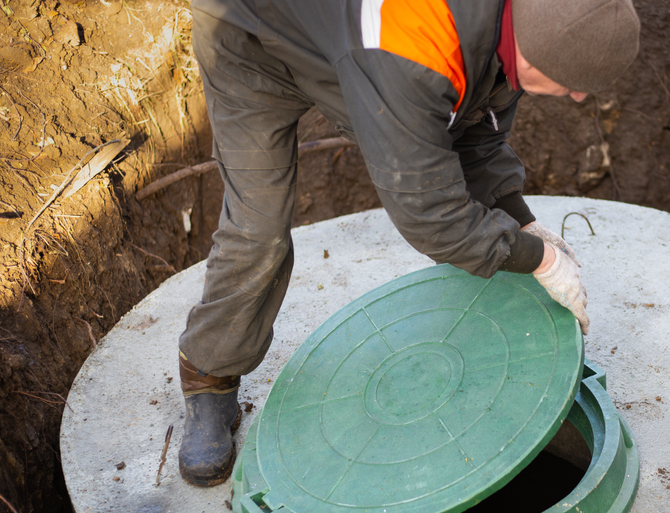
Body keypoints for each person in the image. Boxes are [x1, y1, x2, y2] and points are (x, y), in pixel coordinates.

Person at [177, 0, 641, 486]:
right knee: (258, 226)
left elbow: (474, 132)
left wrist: (519, 222)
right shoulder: (412, 47)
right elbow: (430, 215)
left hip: (344, 37)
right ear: (530, 50)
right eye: (571, 84)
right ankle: (209, 375)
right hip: (251, 35)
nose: (578, 98)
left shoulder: (519, 25)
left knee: (418, 114)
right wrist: (540, 260)